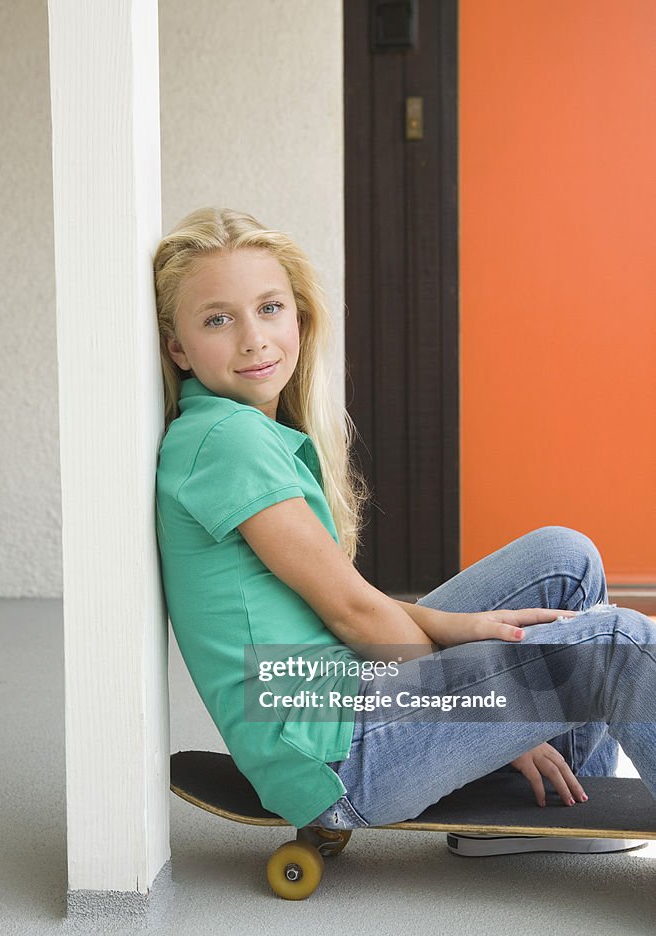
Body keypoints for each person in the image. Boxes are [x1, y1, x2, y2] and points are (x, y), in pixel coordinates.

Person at [154, 206, 655, 858]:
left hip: (338, 697)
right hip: (335, 749)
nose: (253, 338)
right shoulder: (229, 439)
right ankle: (528, 763)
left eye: (269, 308)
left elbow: (332, 604)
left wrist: (457, 636)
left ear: (299, 319)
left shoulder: (234, 430)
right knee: (614, 644)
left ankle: (554, 805)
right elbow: (349, 608)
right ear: (177, 346)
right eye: (218, 319)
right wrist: (504, 715)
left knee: (562, 557)